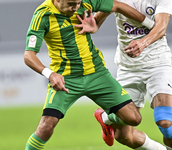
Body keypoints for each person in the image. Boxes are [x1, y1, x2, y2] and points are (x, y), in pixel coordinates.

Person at [23, 0, 161, 149]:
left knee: (134, 119)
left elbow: (118, 5)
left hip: (97, 74)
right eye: (71, 4)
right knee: (46, 127)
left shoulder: (86, 2)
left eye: (78, 3)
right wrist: (50, 74)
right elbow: (29, 55)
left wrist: (150, 24)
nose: (76, 8)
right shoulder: (43, 15)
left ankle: (104, 118)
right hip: (67, 79)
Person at [75, 0, 172, 150]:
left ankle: (105, 117)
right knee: (124, 136)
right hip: (128, 68)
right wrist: (94, 25)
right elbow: (100, 16)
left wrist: (142, 43)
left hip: (158, 64)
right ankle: (106, 118)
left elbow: (161, 27)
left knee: (165, 122)